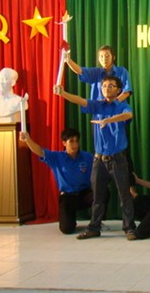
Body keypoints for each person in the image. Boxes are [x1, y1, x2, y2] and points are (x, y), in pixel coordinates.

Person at [53, 75, 136, 240]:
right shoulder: (97, 105)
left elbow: (128, 115)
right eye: (104, 86)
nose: (107, 88)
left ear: (119, 90)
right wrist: (63, 94)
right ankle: (94, 228)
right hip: (99, 160)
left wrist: (109, 120)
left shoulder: (122, 106)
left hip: (118, 159)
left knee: (124, 195)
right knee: (97, 196)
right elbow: (80, 100)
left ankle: (129, 227)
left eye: (111, 86)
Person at [19, 128, 93, 234]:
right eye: (71, 141)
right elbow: (40, 152)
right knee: (66, 229)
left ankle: (96, 222)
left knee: (102, 193)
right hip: (68, 197)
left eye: (77, 141)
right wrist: (28, 140)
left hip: (85, 194)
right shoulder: (57, 157)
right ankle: (70, 221)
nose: (75, 144)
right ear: (64, 143)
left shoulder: (87, 157)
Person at [66, 45, 132, 102]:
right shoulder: (96, 72)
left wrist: (112, 103)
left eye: (107, 56)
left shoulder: (121, 71)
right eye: (101, 56)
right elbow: (80, 71)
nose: (104, 59)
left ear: (113, 57)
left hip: (118, 110)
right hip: (99, 111)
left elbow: (126, 92)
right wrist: (68, 60)